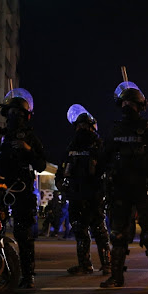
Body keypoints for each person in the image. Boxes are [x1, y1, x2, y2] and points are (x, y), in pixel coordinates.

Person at [100, 81, 148, 288]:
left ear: (140, 106)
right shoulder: (115, 130)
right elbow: (104, 157)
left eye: (131, 103)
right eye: (124, 102)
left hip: (145, 187)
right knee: (118, 234)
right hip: (121, 188)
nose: (127, 107)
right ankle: (116, 277)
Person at [0, 88, 46, 289]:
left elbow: (41, 164)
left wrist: (28, 151)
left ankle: (28, 275)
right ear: (6, 113)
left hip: (22, 190)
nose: (15, 116)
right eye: (12, 112)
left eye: (20, 113)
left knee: (24, 234)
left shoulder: (31, 139)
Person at [56, 105, 110, 275]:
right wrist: (61, 185)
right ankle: (85, 265)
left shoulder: (99, 146)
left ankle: (107, 264)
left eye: (85, 126)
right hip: (76, 195)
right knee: (79, 230)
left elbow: (107, 170)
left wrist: (105, 192)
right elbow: (61, 169)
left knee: (99, 230)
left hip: (94, 195)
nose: (82, 129)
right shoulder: (71, 147)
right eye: (79, 126)